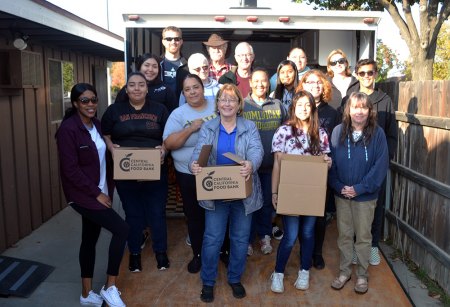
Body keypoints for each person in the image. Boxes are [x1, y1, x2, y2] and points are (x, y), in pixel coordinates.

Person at [56, 83, 129, 307]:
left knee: (89, 239)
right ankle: (110, 287)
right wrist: (96, 193)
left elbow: (110, 150)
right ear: (76, 103)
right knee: (122, 229)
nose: (91, 105)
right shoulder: (68, 130)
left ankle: (86, 294)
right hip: (84, 196)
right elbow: (70, 170)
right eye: (85, 101)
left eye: (94, 100)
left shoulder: (97, 125)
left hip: (101, 190)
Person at [190, 84, 264, 303]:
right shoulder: (209, 127)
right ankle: (208, 282)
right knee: (212, 239)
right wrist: (195, 165)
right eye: (223, 99)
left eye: (232, 100)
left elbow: (256, 151)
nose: (227, 103)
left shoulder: (249, 126)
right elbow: (198, 153)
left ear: (239, 104)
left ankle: (234, 278)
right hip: (216, 194)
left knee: (240, 240)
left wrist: (251, 164)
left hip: (243, 194)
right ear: (218, 103)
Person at [101, 72, 170, 272]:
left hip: (155, 170)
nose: (137, 88)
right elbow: (105, 133)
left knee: (156, 212)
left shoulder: (160, 109)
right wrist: (112, 148)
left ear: (147, 89)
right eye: (132, 85)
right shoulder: (115, 110)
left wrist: (164, 149)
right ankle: (134, 253)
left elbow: (169, 135)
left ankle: (161, 252)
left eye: (141, 85)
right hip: (126, 170)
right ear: (126, 88)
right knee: (133, 213)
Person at [270, 90, 332, 293]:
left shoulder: (321, 133)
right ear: (293, 107)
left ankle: (304, 271)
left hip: (313, 194)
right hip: (291, 193)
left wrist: (328, 163)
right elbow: (277, 165)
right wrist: (274, 193)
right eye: (300, 104)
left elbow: (325, 163)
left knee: (307, 233)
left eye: (308, 104)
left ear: (313, 108)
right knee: (290, 236)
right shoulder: (283, 132)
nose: (304, 108)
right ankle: (278, 273)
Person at [328, 92, 389, 294]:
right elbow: (331, 163)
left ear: (369, 110)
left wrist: (359, 188)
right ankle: (345, 272)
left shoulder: (377, 133)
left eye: (364, 107)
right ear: (349, 110)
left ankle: (362, 275)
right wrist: (339, 186)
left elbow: (380, 166)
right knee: (344, 235)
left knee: (363, 237)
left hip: (365, 197)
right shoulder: (338, 131)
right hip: (342, 194)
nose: (359, 111)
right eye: (355, 107)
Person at [163, 74, 217, 274]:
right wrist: (191, 129)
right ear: (183, 93)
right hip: (188, 174)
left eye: (196, 87)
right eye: (188, 89)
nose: (193, 92)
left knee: (218, 213)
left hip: (216, 171)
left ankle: (222, 252)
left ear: (203, 88)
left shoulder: (217, 106)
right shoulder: (178, 114)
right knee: (195, 216)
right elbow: (169, 144)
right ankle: (199, 255)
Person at [353, 58, 397, 266]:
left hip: (377, 163)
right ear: (356, 75)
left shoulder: (385, 100)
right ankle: (355, 247)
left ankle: (372, 247)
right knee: (354, 206)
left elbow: (391, 134)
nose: (366, 76)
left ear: (376, 74)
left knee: (376, 207)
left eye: (370, 73)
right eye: (362, 73)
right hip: (355, 162)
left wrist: (384, 161)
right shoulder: (351, 99)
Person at [242, 68, 288, 256]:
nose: (260, 84)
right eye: (257, 81)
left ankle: (265, 235)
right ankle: (247, 239)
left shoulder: (277, 105)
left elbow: (287, 130)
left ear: (268, 84)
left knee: (267, 202)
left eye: (264, 81)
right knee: (248, 203)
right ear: (250, 83)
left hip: (271, 166)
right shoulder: (242, 105)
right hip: (249, 167)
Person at [297, 70, 339, 270]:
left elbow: (337, 143)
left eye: (318, 82)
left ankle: (317, 252)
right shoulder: (297, 109)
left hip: (322, 173)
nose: (314, 86)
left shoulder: (332, 113)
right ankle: (303, 250)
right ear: (303, 86)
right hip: (298, 173)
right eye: (310, 82)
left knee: (319, 216)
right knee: (299, 214)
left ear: (324, 87)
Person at [160, 26, 188, 99]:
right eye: (169, 39)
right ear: (163, 42)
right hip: (161, 107)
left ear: (181, 42)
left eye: (177, 39)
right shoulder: (157, 64)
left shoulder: (188, 65)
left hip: (182, 107)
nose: (173, 42)